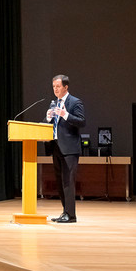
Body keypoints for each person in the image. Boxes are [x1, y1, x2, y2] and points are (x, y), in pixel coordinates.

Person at [46, 74, 85, 223]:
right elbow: (50, 125)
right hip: (55, 147)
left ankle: (71, 215)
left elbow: (82, 121)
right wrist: (48, 118)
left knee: (68, 182)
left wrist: (66, 114)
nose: (55, 89)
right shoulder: (53, 103)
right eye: (54, 87)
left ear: (66, 87)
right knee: (60, 182)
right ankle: (65, 212)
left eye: (58, 86)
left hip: (69, 149)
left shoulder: (75, 102)